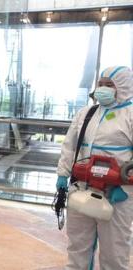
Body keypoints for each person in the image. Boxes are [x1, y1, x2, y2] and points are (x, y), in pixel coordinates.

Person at [56, 66, 133, 270]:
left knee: (114, 251)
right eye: (101, 84)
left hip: (117, 195)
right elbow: (70, 145)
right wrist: (63, 175)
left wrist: (125, 184)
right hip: (82, 189)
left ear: (123, 87)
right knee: (77, 246)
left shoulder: (130, 114)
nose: (103, 89)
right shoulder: (87, 113)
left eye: (110, 85)